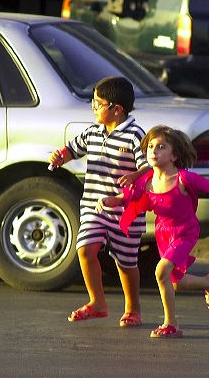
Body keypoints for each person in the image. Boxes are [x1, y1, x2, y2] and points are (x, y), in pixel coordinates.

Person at [97, 125, 209, 338]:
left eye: (161, 147)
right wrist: (108, 200)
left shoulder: (184, 178)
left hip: (185, 232)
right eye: (150, 147)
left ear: (174, 155)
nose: (153, 151)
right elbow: (124, 198)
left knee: (160, 272)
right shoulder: (145, 182)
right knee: (175, 282)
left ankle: (171, 324)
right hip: (163, 234)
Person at [49, 76, 150, 328]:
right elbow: (74, 149)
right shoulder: (93, 132)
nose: (93, 108)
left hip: (126, 211)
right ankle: (97, 303)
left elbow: (148, 168)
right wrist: (62, 156)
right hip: (94, 205)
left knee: (126, 263)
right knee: (85, 248)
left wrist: (135, 175)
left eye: (98, 103)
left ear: (116, 109)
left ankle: (133, 308)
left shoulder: (135, 135)